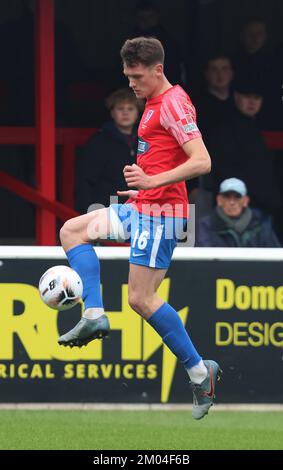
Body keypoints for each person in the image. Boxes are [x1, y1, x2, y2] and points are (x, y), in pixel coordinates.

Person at [58, 37, 221, 420]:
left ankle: (200, 373)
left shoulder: (174, 102)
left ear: (157, 70)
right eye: (127, 75)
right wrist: (144, 182)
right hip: (142, 206)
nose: (131, 83)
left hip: (163, 215)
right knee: (72, 231)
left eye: (137, 76)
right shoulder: (153, 102)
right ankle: (94, 313)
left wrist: (152, 181)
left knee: (140, 300)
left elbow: (203, 161)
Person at [76, 88, 140, 212]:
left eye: (130, 109)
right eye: (120, 109)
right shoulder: (99, 141)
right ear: (112, 113)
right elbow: (86, 180)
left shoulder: (147, 140)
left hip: (140, 205)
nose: (125, 113)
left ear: (138, 113)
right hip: (106, 206)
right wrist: (87, 210)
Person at [196, 178, 281, 247]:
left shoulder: (261, 224)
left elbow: (276, 257)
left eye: (237, 197)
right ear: (219, 200)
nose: (232, 202)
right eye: (227, 197)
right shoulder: (206, 225)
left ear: (245, 201)